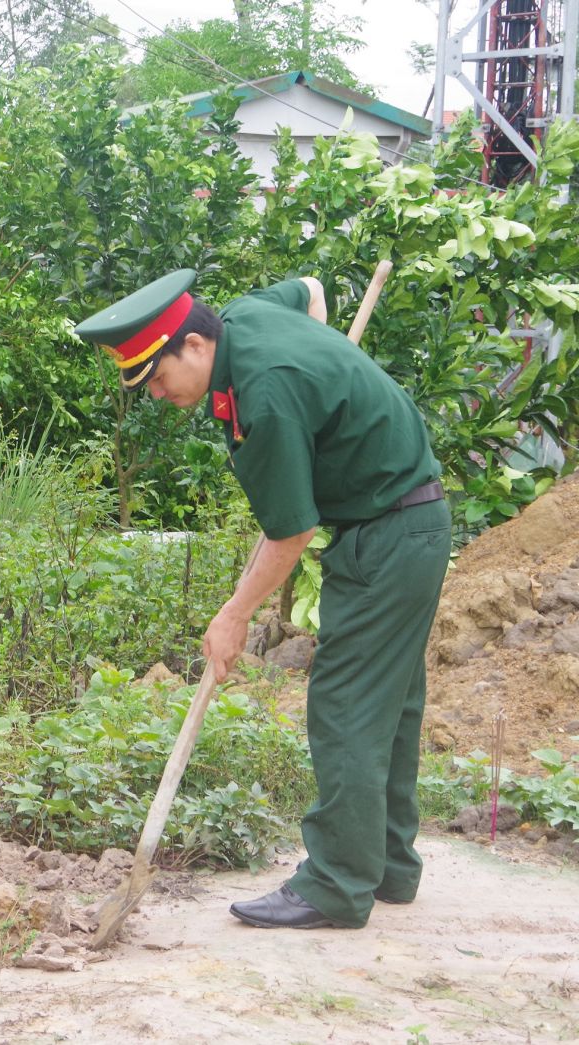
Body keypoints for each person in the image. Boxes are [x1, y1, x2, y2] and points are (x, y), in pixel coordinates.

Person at [75, 268, 451, 931]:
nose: (156, 393)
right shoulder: (247, 315)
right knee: (389, 704)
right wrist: (324, 364)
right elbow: (310, 287)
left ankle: (336, 885)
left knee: (346, 705)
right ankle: (389, 866)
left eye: (156, 377)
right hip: (407, 523)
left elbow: (291, 533)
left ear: (195, 344)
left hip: (388, 536)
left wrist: (233, 614)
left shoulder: (266, 393)